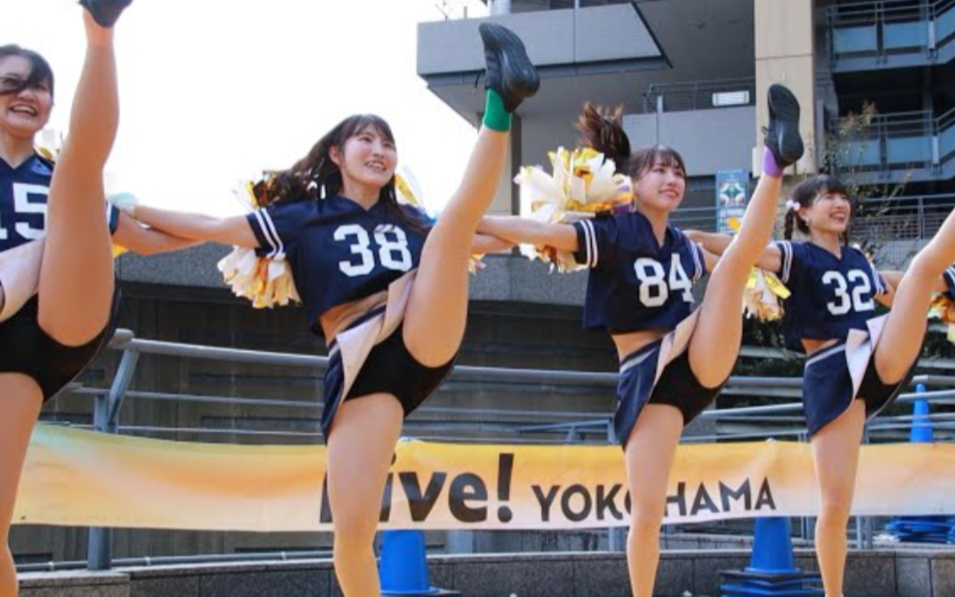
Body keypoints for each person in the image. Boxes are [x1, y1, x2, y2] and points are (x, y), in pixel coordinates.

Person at [124, 23, 536, 597]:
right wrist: (133, 210)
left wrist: (568, 235)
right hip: (362, 365)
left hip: (420, 331)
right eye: (367, 140)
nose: (380, 151)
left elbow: (485, 232)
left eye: (388, 143)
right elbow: (213, 226)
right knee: (352, 531)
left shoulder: (411, 220)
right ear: (337, 154)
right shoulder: (302, 219)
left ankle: (500, 101)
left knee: (451, 229)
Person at [477, 85, 804, 597]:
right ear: (632, 183)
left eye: (678, 173)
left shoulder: (683, 245)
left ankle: (774, 162)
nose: (672, 179)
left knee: (734, 265)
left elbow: (747, 253)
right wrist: (467, 223)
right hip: (647, 379)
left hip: (694, 354)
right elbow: (538, 233)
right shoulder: (613, 233)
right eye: (660, 171)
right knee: (648, 511)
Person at [0, 3, 200, 597]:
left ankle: (100, 29)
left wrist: (247, 231)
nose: (28, 94)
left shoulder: (62, 179)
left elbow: (148, 240)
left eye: (41, 87)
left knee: (78, 171)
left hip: (61, 315)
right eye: (12, 82)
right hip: (8, 358)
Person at [690, 174, 955, 597]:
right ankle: (835, 593)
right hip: (831, 373)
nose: (839, 204)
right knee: (836, 502)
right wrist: (692, 237)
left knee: (923, 272)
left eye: (843, 198)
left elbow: (900, 288)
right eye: (828, 197)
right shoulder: (795, 255)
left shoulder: (858, 260)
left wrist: (944, 286)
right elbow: (745, 249)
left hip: (874, 354)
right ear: (803, 213)